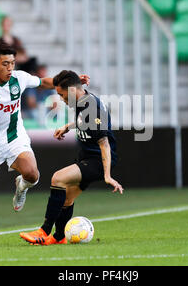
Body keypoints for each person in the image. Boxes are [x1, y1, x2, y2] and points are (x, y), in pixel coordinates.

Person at [0, 42, 90, 247]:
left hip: (15, 139)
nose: (10, 68)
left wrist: (73, 85)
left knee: (32, 174)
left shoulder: (19, 79)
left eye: (12, 63)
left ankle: (21, 186)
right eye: (5, 64)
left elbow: (45, 82)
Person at [20, 70, 123, 246]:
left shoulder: (91, 108)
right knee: (67, 198)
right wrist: (68, 126)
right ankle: (59, 236)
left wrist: (107, 176)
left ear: (73, 90)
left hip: (98, 161)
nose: (60, 98)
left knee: (58, 178)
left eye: (62, 94)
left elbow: (104, 143)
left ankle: (43, 231)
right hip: (88, 157)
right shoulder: (82, 100)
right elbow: (85, 121)